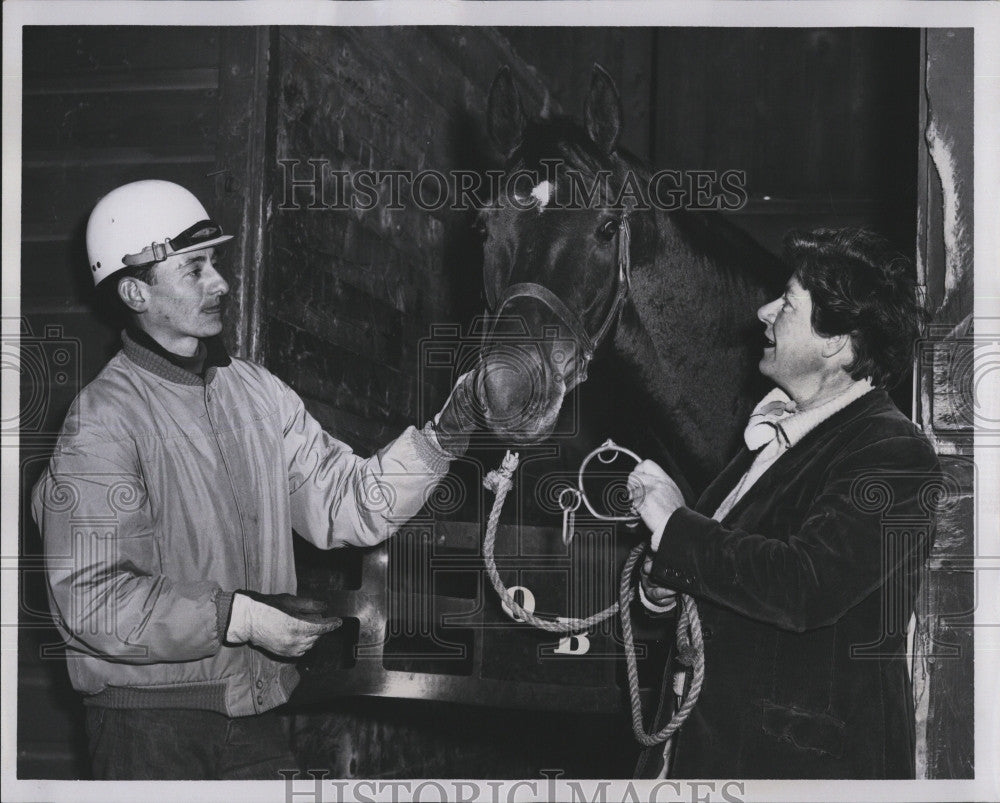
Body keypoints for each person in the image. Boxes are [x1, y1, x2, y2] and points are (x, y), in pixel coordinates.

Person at [31, 180, 480, 780]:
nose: (219, 282)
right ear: (136, 290)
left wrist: (445, 435)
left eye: (215, 262)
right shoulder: (102, 420)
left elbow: (347, 502)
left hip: (256, 714)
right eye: (193, 269)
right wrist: (236, 617)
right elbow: (90, 599)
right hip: (150, 729)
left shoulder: (256, 393)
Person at [628, 228, 940, 779]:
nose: (764, 312)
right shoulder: (769, 437)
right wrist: (661, 581)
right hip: (707, 751)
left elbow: (805, 585)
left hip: (798, 768)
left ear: (837, 342)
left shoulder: (893, 452)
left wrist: (677, 528)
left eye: (788, 303)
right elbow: (724, 576)